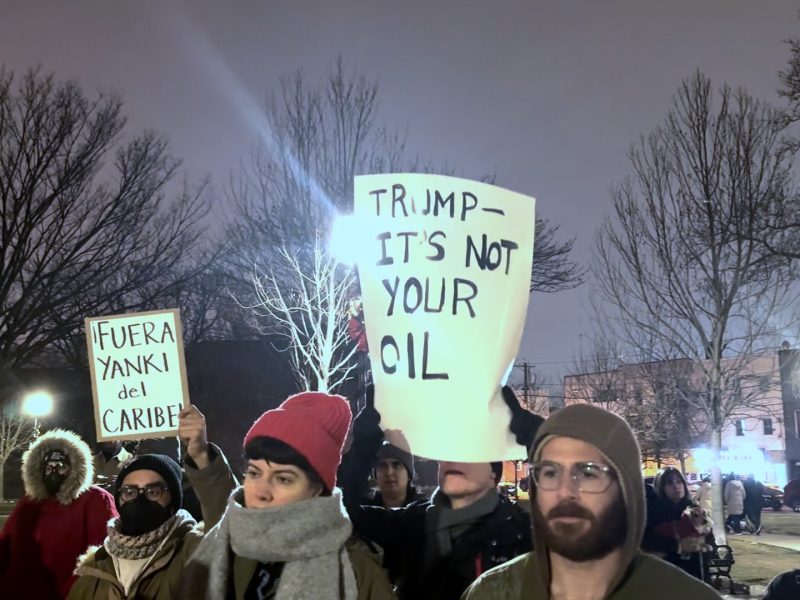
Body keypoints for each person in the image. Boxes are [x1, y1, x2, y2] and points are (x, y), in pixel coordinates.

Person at [461, 403, 721, 599]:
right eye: (550, 473)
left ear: (625, 490)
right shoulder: (493, 592)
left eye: (587, 473)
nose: (565, 491)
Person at [179, 391, 395, 599]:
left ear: (316, 489)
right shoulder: (231, 537)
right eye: (254, 473)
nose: (261, 492)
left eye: (283, 479)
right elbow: (220, 501)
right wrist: (200, 454)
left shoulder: (357, 572)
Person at [339, 386, 541, 600]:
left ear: (494, 473)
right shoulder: (412, 523)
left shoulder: (522, 533)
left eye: (468, 450)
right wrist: (365, 446)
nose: (453, 458)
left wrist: (535, 435)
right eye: (447, 451)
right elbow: (341, 512)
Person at [67, 405, 237, 599]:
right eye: (130, 491)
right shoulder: (93, 570)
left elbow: (232, 533)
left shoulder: (196, 552)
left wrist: (201, 455)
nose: (140, 498)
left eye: (153, 491)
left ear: (173, 499)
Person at [0, 429, 118, 599]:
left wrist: (76, 592)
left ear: (74, 467)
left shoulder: (96, 499)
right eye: (48, 467)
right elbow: (5, 544)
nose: (54, 472)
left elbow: (103, 554)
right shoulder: (29, 503)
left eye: (61, 466)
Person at [642, 466, 713, 580]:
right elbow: (645, 540)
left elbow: (709, 540)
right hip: (665, 575)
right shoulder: (652, 512)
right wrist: (678, 546)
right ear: (661, 487)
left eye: (679, 481)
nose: (676, 486)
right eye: (669, 483)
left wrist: (701, 548)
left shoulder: (694, 510)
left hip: (696, 575)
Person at [371, 439, 427, 508]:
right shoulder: (363, 513)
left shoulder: (427, 512)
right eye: (382, 466)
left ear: (409, 475)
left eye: (396, 465)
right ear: (375, 475)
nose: (389, 472)